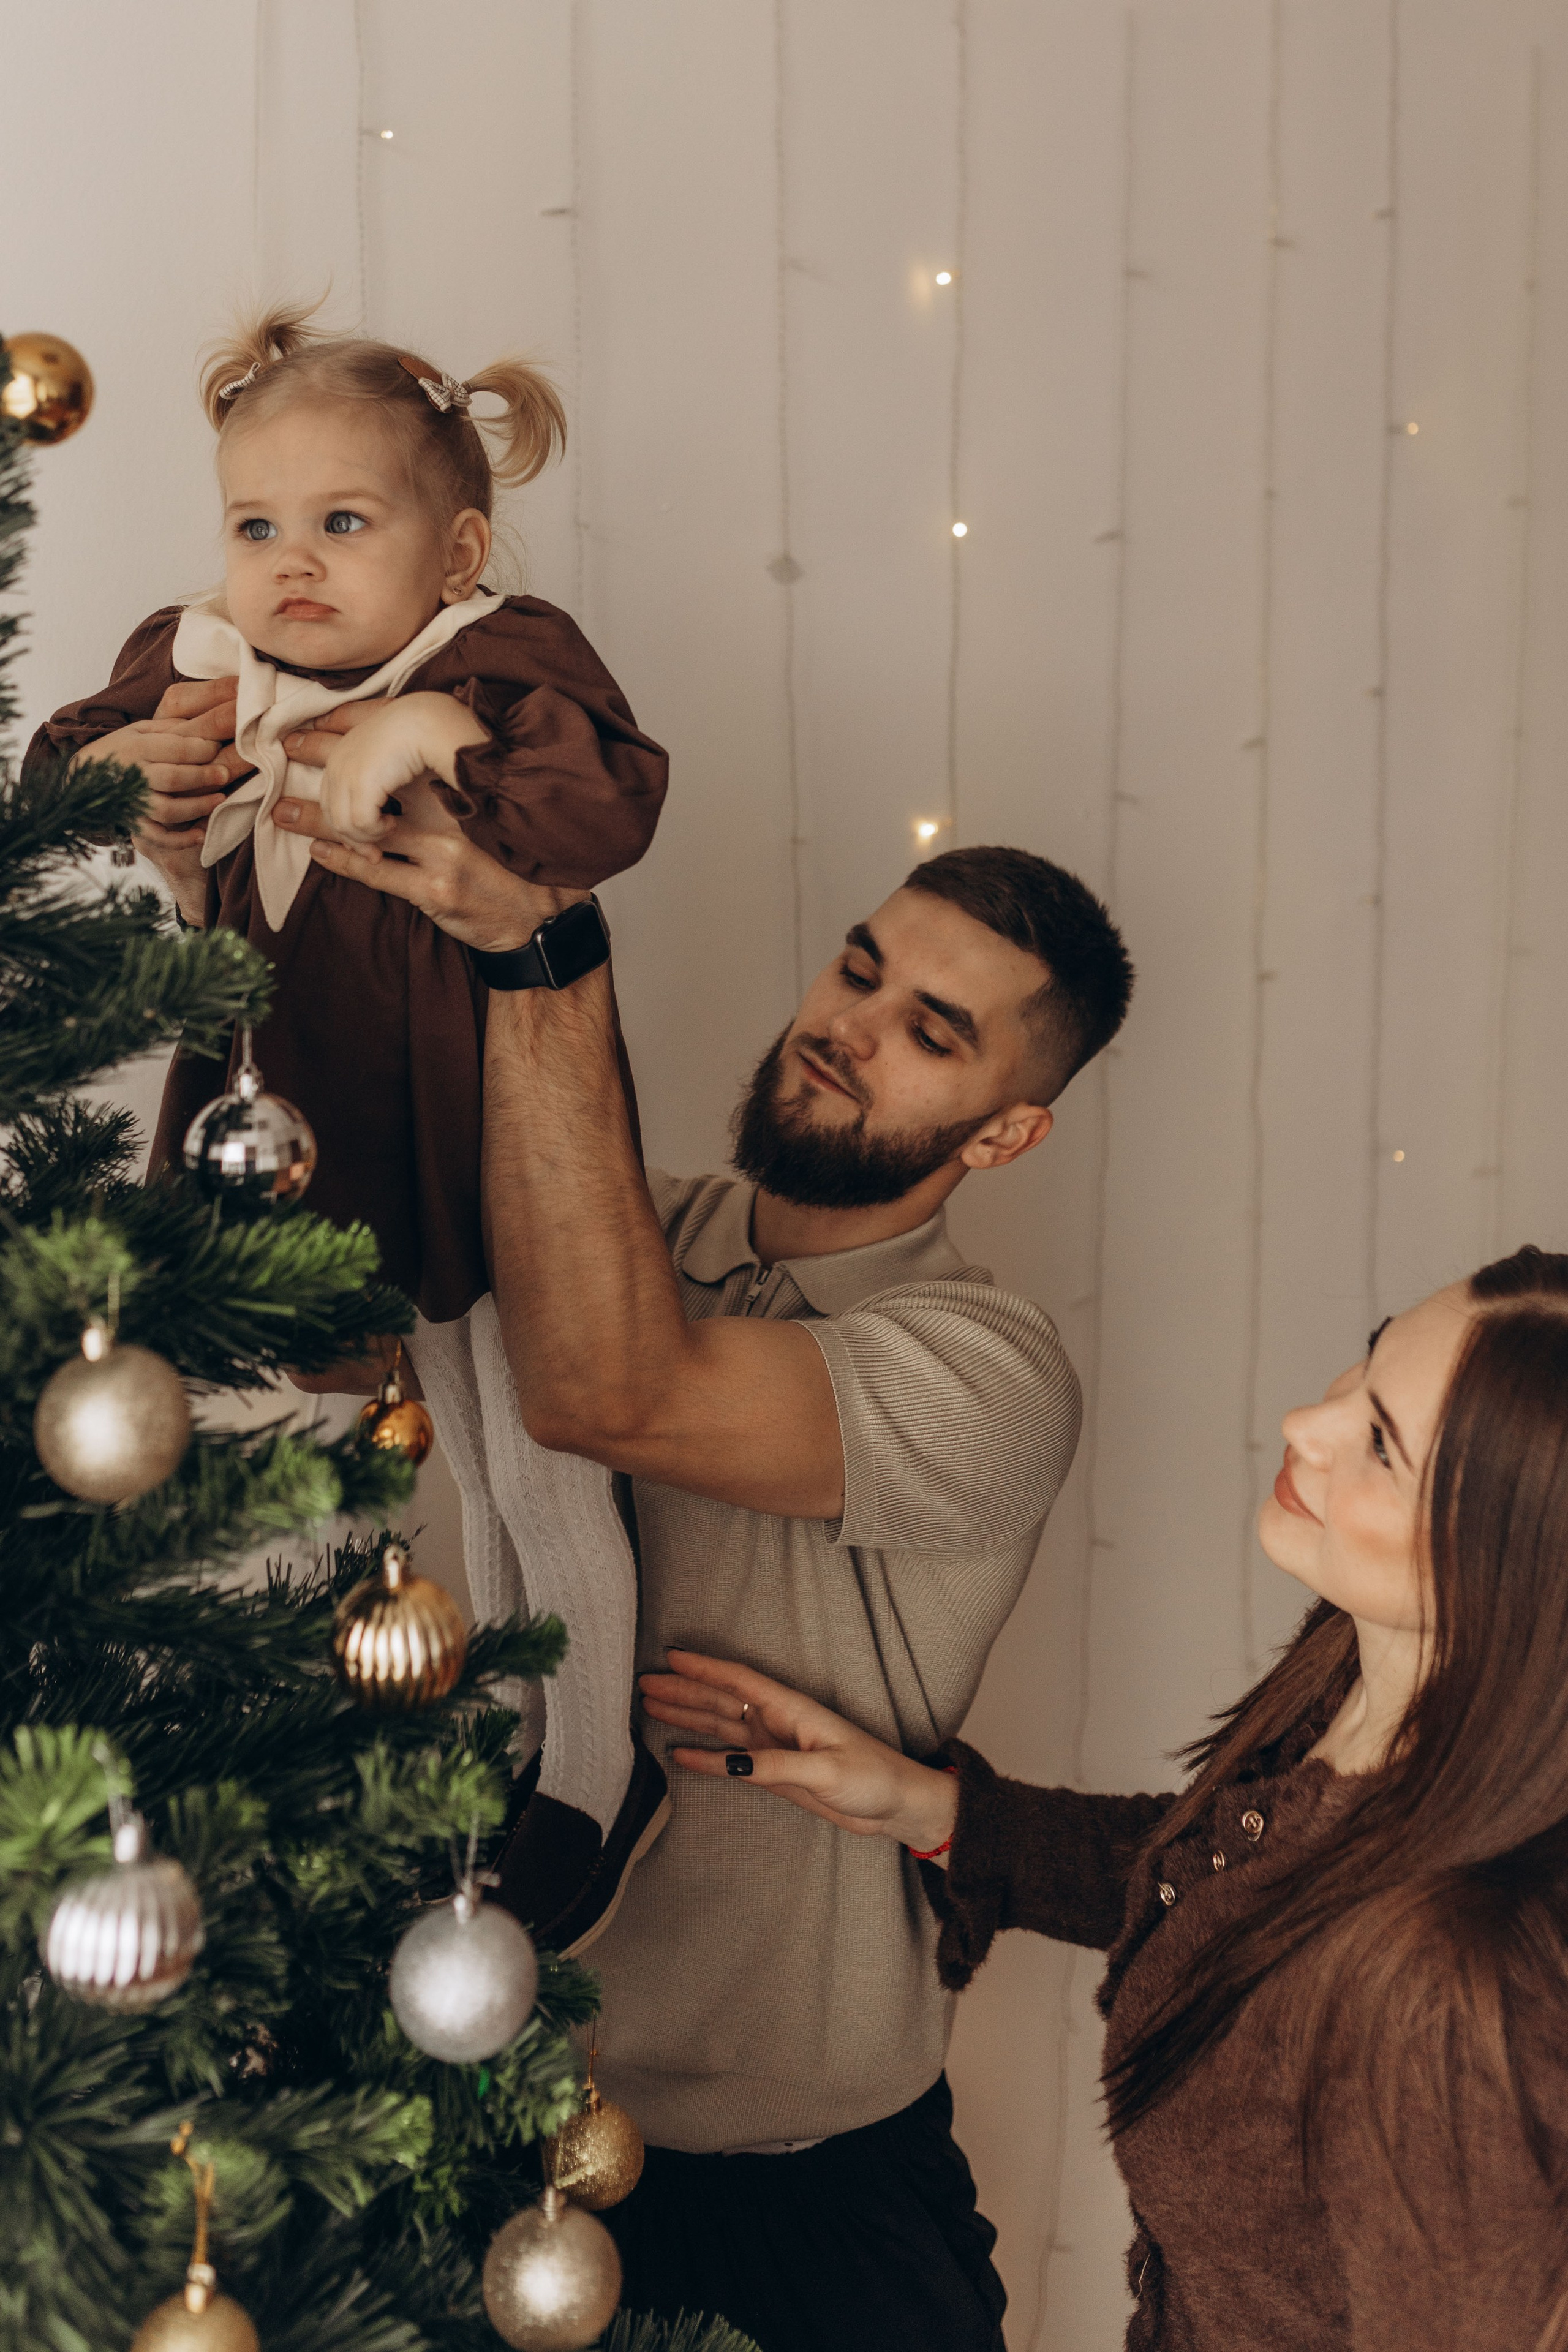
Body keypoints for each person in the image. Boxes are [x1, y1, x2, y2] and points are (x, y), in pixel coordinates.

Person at [266, 778, 1134, 2352]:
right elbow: (316, 1321)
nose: (849, 1026)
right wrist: (232, 871)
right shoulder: (625, 1228)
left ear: (1009, 1129)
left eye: (935, 1032)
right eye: (859, 970)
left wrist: (542, 946)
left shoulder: (986, 1362)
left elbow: (615, 1387)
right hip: (478, 2110)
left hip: (800, 2194)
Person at [21, 300, 671, 1934]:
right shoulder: (203, 667)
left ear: (456, 554)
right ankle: (438, 1750)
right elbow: (61, 772)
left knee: (536, 1466)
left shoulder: (502, 665)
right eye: (257, 525)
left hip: (489, 1131)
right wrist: (143, 780)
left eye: (343, 523)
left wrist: (436, 729)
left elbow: (606, 802)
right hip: (289, 1124)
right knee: (371, 1472)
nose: (289, 563)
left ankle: (589, 1774)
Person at [641, 1252, 1568, 2351]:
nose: (1303, 1424)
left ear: (1512, 1566)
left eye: (1380, 1446)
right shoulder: (1359, 1688)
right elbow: (1246, 1893)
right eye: (1365, 1368)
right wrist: (933, 1808)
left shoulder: (1462, 2003)